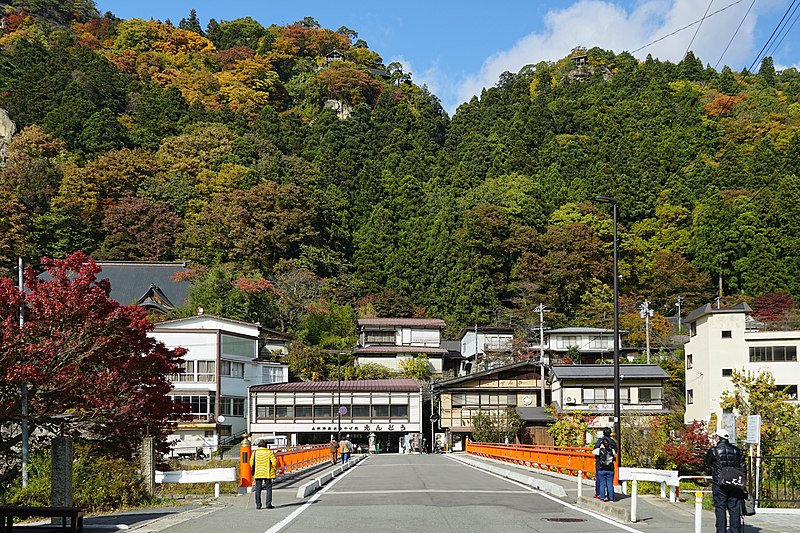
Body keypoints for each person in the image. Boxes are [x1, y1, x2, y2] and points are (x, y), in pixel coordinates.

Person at [704, 428, 745, 533]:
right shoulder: (737, 450)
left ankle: (721, 531)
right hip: (735, 483)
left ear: (718, 437)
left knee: (720, 508)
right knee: (734, 508)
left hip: (719, 482)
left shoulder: (714, 450)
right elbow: (743, 467)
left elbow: (706, 462)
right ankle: (735, 530)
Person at [249, 439, 277, 510]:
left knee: (258, 489)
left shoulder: (255, 453)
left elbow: (251, 462)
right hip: (267, 473)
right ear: (266, 445)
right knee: (269, 488)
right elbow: (274, 462)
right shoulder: (269, 452)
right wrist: (274, 468)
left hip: (258, 473)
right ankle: (268, 504)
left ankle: (258, 505)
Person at [593, 428, 617, 499]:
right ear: (610, 433)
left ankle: (599, 494)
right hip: (610, 464)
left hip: (600, 463)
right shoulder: (612, 442)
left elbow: (594, 450)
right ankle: (610, 496)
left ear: (603, 433)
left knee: (600, 480)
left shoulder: (600, 441)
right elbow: (615, 452)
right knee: (610, 482)